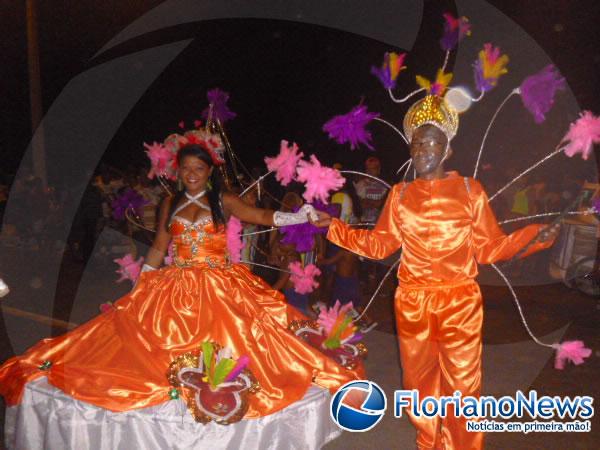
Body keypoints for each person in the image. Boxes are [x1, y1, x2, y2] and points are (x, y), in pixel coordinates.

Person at [0, 142, 362, 443]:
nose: (191, 174)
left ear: (209, 171)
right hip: (176, 282)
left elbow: (263, 217)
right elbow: (160, 244)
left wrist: (303, 216)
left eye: (198, 168)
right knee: (151, 344)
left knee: (234, 339)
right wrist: (143, 283)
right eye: (186, 168)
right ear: (179, 171)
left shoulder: (225, 200)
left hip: (220, 283)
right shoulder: (170, 203)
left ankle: (217, 395)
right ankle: (184, 394)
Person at [314, 94, 560, 450]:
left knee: (463, 384)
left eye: (431, 144)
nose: (422, 151)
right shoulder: (399, 195)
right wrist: (333, 227)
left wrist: (535, 236)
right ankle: (428, 443)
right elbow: (381, 245)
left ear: (446, 151)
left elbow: (489, 248)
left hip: (459, 301)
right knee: (417, 384)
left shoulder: (469, 190)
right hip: (412, 302)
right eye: (416, 144)